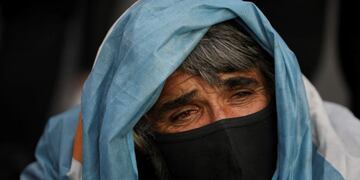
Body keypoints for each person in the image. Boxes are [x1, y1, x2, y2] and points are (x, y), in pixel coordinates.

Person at [21, 0, 360, 179]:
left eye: (240, 93)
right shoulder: (71, 155)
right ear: (141, 133)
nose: (223, 124)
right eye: (185, 112)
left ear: (276, 91)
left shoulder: (345, 154)